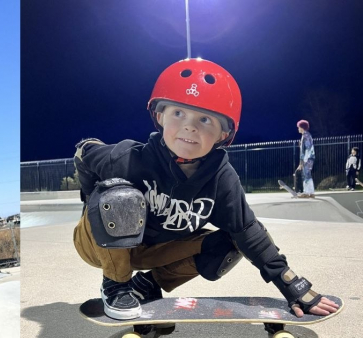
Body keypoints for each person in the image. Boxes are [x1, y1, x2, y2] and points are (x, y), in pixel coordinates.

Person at [72, 58, 338, 321]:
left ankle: (147, 284)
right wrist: (93, 202)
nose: (190, 126)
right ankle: (115, 285)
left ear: (223, 134)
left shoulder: (221, 178)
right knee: (118, 196)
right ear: (160, 116)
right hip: (100, 246)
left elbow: (248, 231)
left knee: (231, 243)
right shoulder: (128, 158)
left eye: (205, 120)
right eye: (178, 113)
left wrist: (288, 283)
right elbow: (85, 152)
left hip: (154, 251)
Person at [295, 120, 315, 198]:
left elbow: (307, 149)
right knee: (308, 174)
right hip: (310, 158)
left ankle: (306, 192)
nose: (298, 129)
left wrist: (302, 161)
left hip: (307, 158)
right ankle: (311, 192)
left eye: (299, 127)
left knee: (305, 174)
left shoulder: (305, 136)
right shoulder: (308, 135)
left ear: (302, 127)